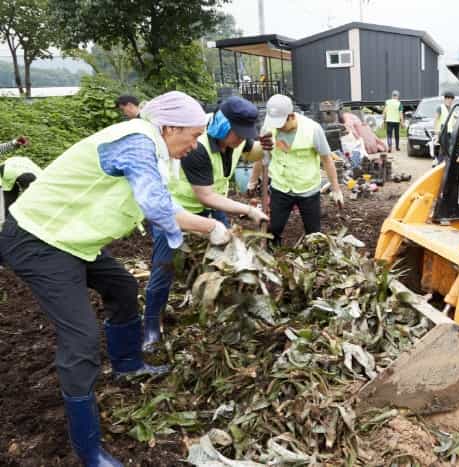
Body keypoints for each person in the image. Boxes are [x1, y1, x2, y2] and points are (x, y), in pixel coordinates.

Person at [0, 91, 231, 467]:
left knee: (123, 286)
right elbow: (157, 208)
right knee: (81, 339)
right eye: (191, 136)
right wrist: (211, 228)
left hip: (74, 242)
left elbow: (157, 197)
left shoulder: (153, 147)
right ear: (170, 127)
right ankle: (88, 450)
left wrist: (207, 226)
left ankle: (127, 365)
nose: (194, 145)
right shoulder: (136, 144)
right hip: (39, 240)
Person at [143, 96, 269, 351]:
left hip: (213, 208)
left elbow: (250, 150)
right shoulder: (196, 147)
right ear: (222, 126)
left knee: (224, 264)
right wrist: (248, 210)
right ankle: (151, 327)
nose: (241, 139)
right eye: (237, 134)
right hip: (177, 213)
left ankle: (215, 313)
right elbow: (205, 194)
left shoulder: (236, 139)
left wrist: (263, 146)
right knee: (164, 269)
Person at [257, 94, 343, 245]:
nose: (278, 127)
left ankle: (314, 260)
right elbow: (262, 156)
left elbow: (327, 160)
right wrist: (252, 181)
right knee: (273, 228)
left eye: (282, 123)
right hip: (281, 186)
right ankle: (272, 254)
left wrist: (336, 189)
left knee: (314, 232)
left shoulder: (313, 129)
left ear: (291, 116)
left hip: (307, 189)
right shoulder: (269, 127)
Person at [0, 136, 40, 219]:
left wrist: (14, 143)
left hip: (6, 173)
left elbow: (1, 148)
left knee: (6, 207)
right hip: (7, 173)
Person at [434, 92, 456, 165]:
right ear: (445, 99)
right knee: (443, 151)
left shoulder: (453, 109)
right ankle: (440, 165)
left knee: (449, 152)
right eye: (448, 99)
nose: (450, 100)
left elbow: (453, 122)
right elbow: (436, 121)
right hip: (443, 132)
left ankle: (446, 166)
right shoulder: (440, 107)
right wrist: (436, 134)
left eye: (451, 99)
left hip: (451, 133)